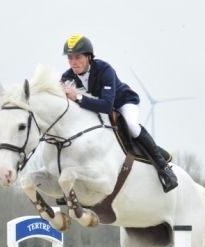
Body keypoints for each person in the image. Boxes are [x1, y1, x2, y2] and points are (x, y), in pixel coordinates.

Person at [60, 34, 178, 192]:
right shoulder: (67, 76)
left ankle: (164, 169)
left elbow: (108, 106)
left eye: (78, 57)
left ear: (88, 57)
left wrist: (78, 97)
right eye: (70, 58)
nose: (73, 62)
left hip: (123, 102)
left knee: (131, 126)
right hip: (98, 108)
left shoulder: (104, 70)